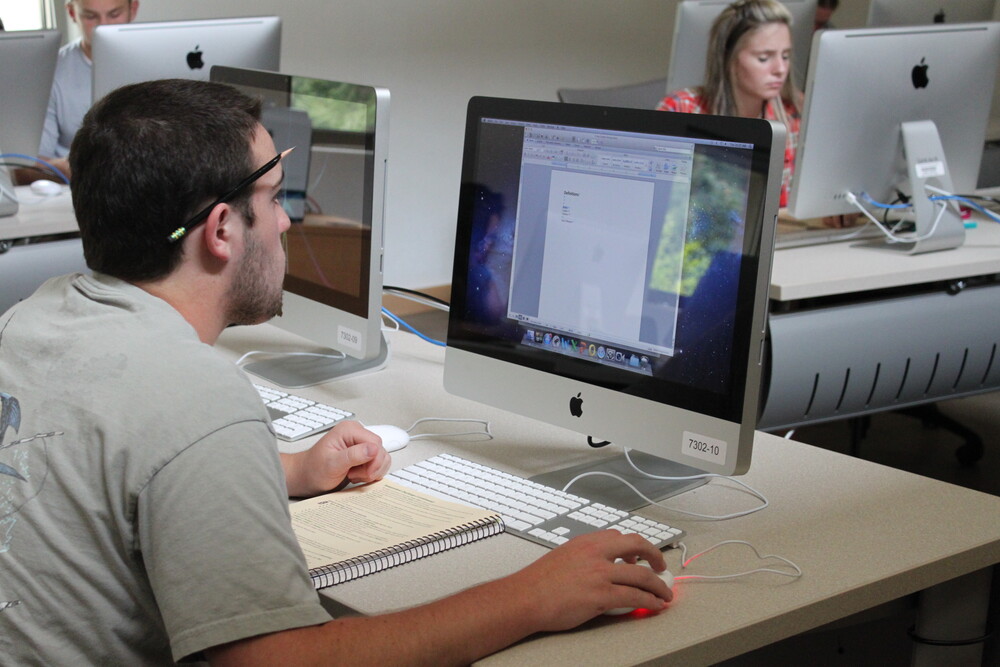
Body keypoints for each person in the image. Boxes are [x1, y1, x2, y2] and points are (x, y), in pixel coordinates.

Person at [0, 78, 673, 665]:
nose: (289, 220)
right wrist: (529, 594)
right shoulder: (196, 398)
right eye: (273, 194)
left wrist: (278, 470)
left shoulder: (32, 319)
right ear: (221, 231)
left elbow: (97, 458)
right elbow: (286, 661)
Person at [657, 0, 801, 209]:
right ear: (728, 57)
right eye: (763, 58)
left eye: (786, 56)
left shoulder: (791, 116)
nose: (780, 69)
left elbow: (785, 209)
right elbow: (661, 203)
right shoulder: (681, 109)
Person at [37, 0, 140, 179]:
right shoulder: (49, 71)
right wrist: (69, 168)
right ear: (72, 13)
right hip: (76, 190)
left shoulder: (162, 60)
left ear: (133, 8)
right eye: (90, 16)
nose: (103, 26)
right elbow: (25, 164)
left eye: (114, 14)